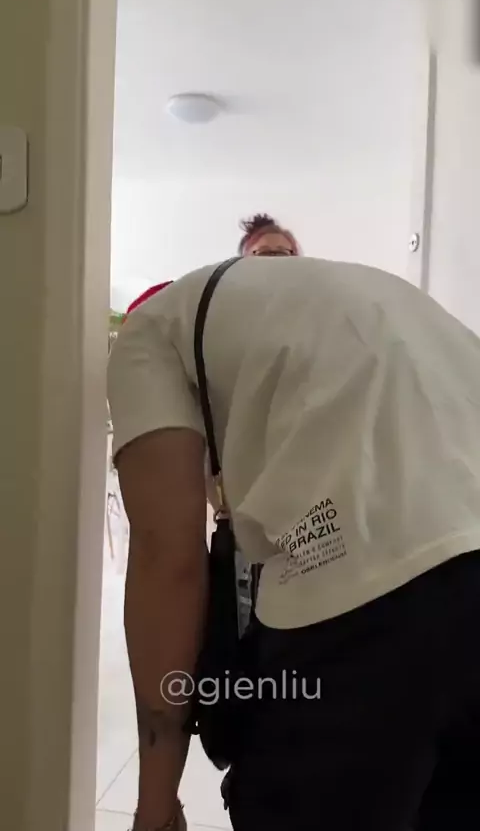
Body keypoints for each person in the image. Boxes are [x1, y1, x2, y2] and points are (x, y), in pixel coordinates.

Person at [107, 254, 480, 831]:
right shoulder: (360, 296)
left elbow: (168, 561)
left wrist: (156, 803)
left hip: (364, 602)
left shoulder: (146, 334)